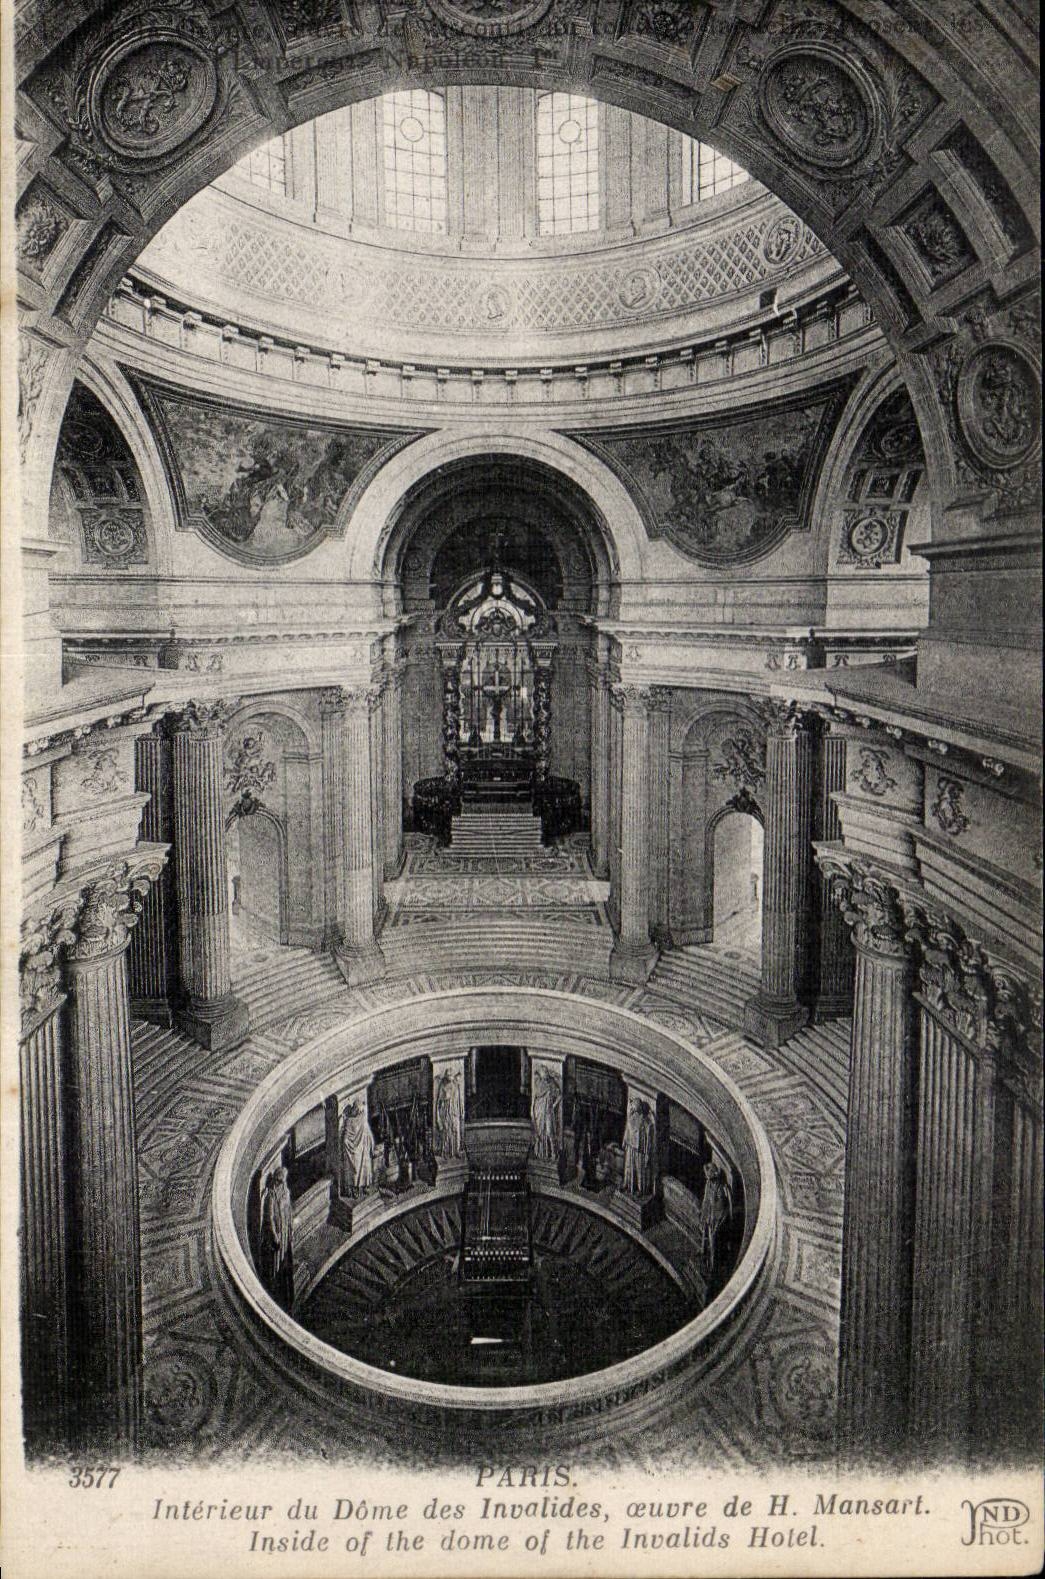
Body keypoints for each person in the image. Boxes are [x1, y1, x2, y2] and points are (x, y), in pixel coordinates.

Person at [259, 1166, 293, 1310]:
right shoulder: (271, 1196)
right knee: (275, 1263)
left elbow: (289, 1211)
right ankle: (273, 1287)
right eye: (279, 1181)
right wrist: (274, 1236)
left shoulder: (286, 1192)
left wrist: (290, 1228)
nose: (281, 1183)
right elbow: (269, 1218)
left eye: (283, 1181)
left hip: (284, 1230)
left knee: (283, 1259)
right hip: (277, 1234)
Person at [340, 1098, 376, 1197]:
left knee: (365, 1168)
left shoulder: (362, 1120)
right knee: (355, 1170)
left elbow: (368, 1134)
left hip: (363, 1149)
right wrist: (349, 1146)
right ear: (355, 1109)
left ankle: (364, 1187)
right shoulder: (349, 1121)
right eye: (358, 1109)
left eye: (361, 1110)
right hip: (355, 1151)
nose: (360, 1111)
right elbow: (346, 1138)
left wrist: (371, 1146)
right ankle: (355, 1189)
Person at [622, 1097, 655, 1195]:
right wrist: (624, 1141)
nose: (633, 1108)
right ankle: (627, 1184)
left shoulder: (644, 1120)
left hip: (639, 1150)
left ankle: (641, 1189)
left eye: (635, 1106)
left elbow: (648, 1136)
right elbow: (627, 1130)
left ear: (639, 1107)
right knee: (628, 1167)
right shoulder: (631, 1117)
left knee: (640, 1170)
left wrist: (647, 1153)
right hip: (630, 1147)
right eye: (633, 1106)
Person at [531, 1065, 562, 1161]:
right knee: (540, 1133)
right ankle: (541, 1153)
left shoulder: (551, 1084)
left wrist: (553, 1105)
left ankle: (553, 1153)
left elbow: (560, 1094)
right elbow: (535, 1100)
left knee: (549, 1132)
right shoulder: (538, 1085)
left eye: (545, 1074)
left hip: (548, 1112)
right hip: (539, 1112)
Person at [434, 1067, 464, 1158]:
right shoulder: (443, 1086)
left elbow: (460, 1099)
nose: (450, 1078)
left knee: (456, 1132)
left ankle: (456, 1151)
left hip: (455, 1112)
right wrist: (438, 1118)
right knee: (447, 1132)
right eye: (448, 1076)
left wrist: (461, 1110)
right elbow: (438, 1102)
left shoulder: (456, 1085)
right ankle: (445, 1151)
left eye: (451, 1076)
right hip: (446, 1112)